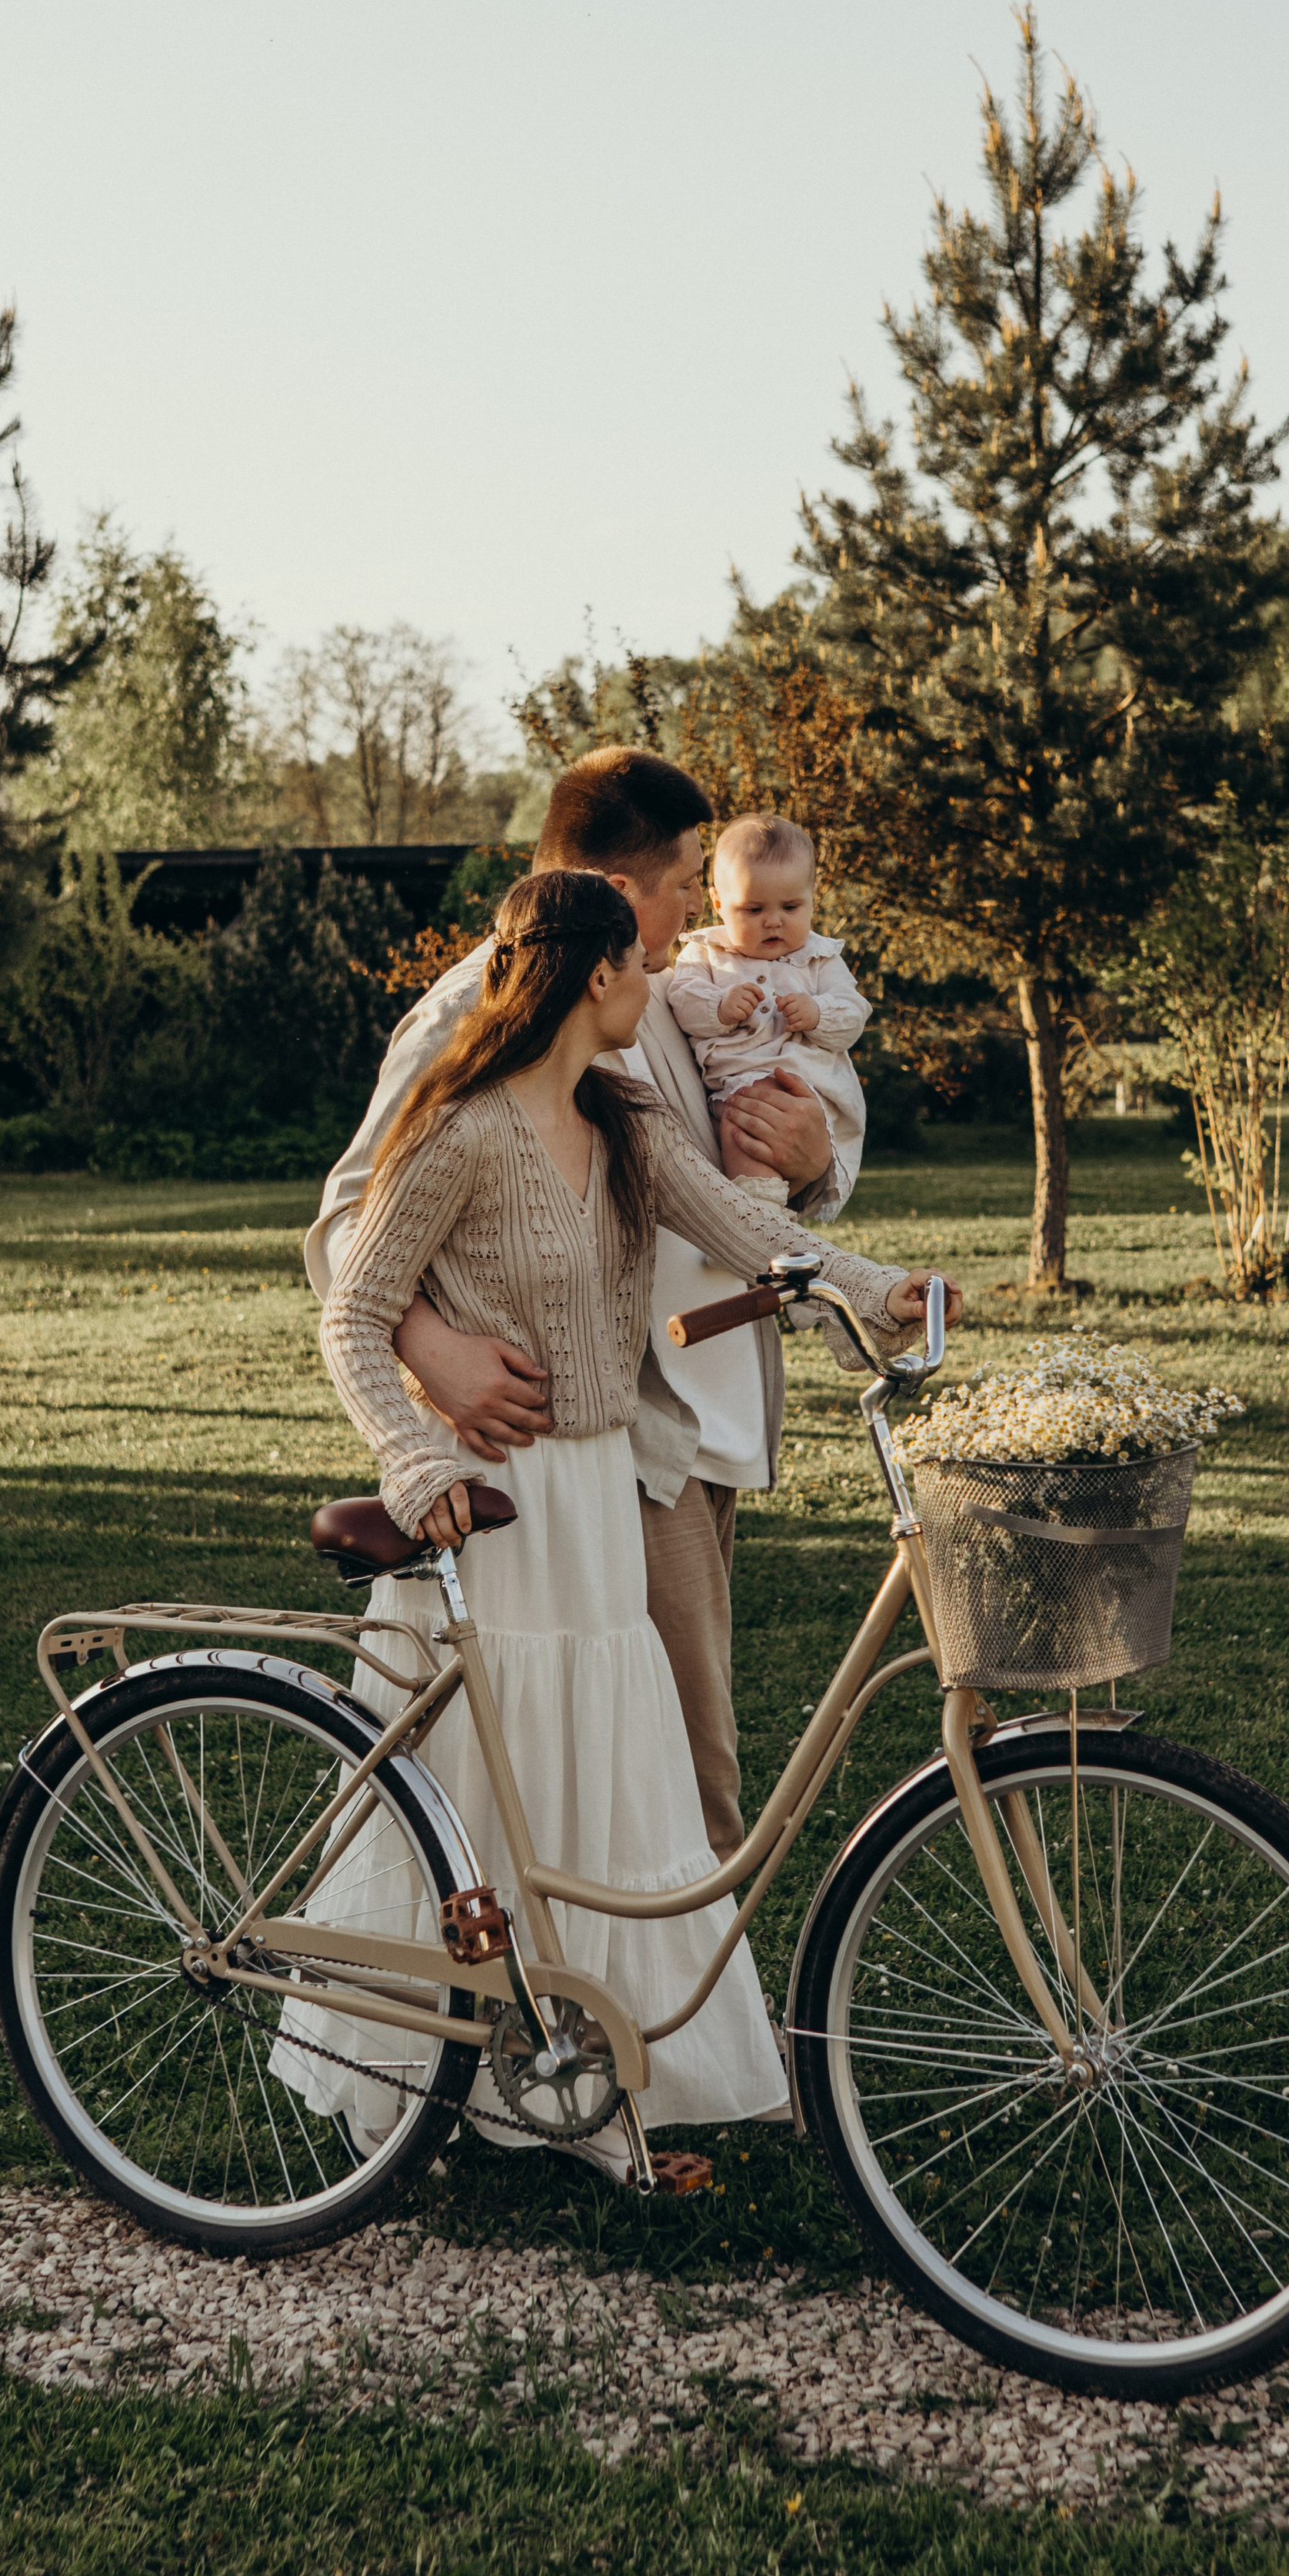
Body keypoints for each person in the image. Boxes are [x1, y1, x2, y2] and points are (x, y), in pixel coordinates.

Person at [305, 868, 956, 2168]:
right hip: (499, 1509)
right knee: (502, 1792)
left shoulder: (624, 1115)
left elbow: (740, 1224)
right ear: (596, 974)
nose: (658, 985)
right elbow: (352, 1314)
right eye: (638, 968)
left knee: (608, 1793)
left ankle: (598, 2087)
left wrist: (884, 1290)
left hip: (600, 1495)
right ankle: (470, 2088)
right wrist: (412, 1459)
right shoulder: (464, 1128)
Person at [305, 747, 854, 1862]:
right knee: (672, 1792)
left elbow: (719, 1183)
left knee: (643, 1772)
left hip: (700, 1436)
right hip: (603, 1436)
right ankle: (637, 2026)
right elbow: (350, 1218)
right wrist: (434, 1350)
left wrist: (816, 1164)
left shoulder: (674, 990)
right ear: (613, 895)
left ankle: (611, 2017)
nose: (705, 905)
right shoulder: (482, 1005)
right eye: (690, 877)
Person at [663, 814, 869, 1205]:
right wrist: (720, 1008)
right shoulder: (705, 953)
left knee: (767, 1123)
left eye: (791, 907)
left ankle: (763, 1216)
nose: (773, 922)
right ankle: (759, 1211)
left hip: (807, 1089)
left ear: (812, 897)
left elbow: (852, 1014)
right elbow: (683, 1001)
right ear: (719, 903)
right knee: (741, 1131)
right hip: (734, 1089)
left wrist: (819, 1013)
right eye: (753, 910)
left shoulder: (820, 959)